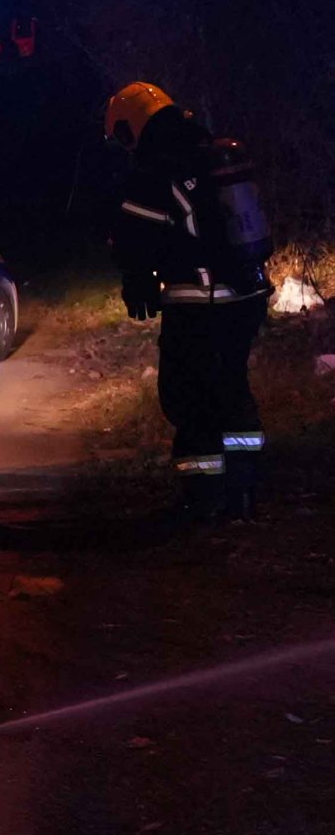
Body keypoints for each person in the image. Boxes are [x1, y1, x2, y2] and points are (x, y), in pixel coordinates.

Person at [106, 81, 271, 519]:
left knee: (189, 396)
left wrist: (137, 282)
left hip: (198, 303)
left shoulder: (154, 170)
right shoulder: (212, 152)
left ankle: (203, 497)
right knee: (232, 387)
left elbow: (134, 240)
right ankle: (243, 490)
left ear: (132, 125)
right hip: (246, 295)